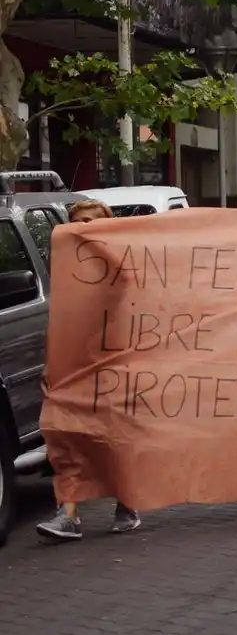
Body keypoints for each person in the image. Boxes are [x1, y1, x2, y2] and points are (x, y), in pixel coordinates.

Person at [37, 201, 143, 542]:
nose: (77, 226)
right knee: (62, 431)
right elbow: (58, 318)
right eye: (73, 221)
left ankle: (127, 501)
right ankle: (68, 514)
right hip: (71, 362)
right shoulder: (65, 265)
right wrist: (49, 361)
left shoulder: (121, 262)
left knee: (110, 436)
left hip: (112, 361)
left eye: (86, 221)